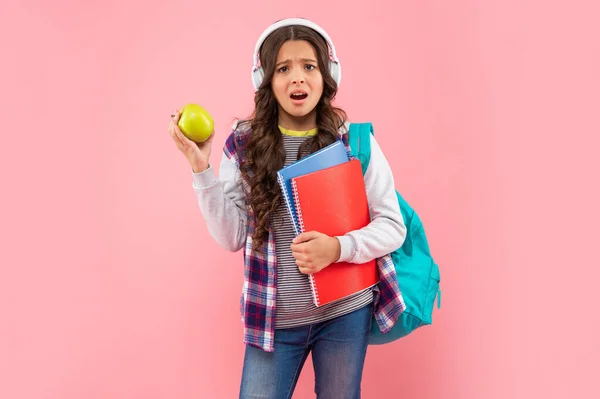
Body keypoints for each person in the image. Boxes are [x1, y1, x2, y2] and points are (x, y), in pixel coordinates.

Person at [169, 17, 407, 399]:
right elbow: (232, 237)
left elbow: (393, 226)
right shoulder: (243, 144)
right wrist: (201, 167)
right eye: (284, 68)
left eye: (308, 66)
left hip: (346, 313)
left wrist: (337, 248)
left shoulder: (355, 142)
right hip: (273, 320)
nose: (298, 78)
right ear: (266, 79)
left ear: (326, 75)